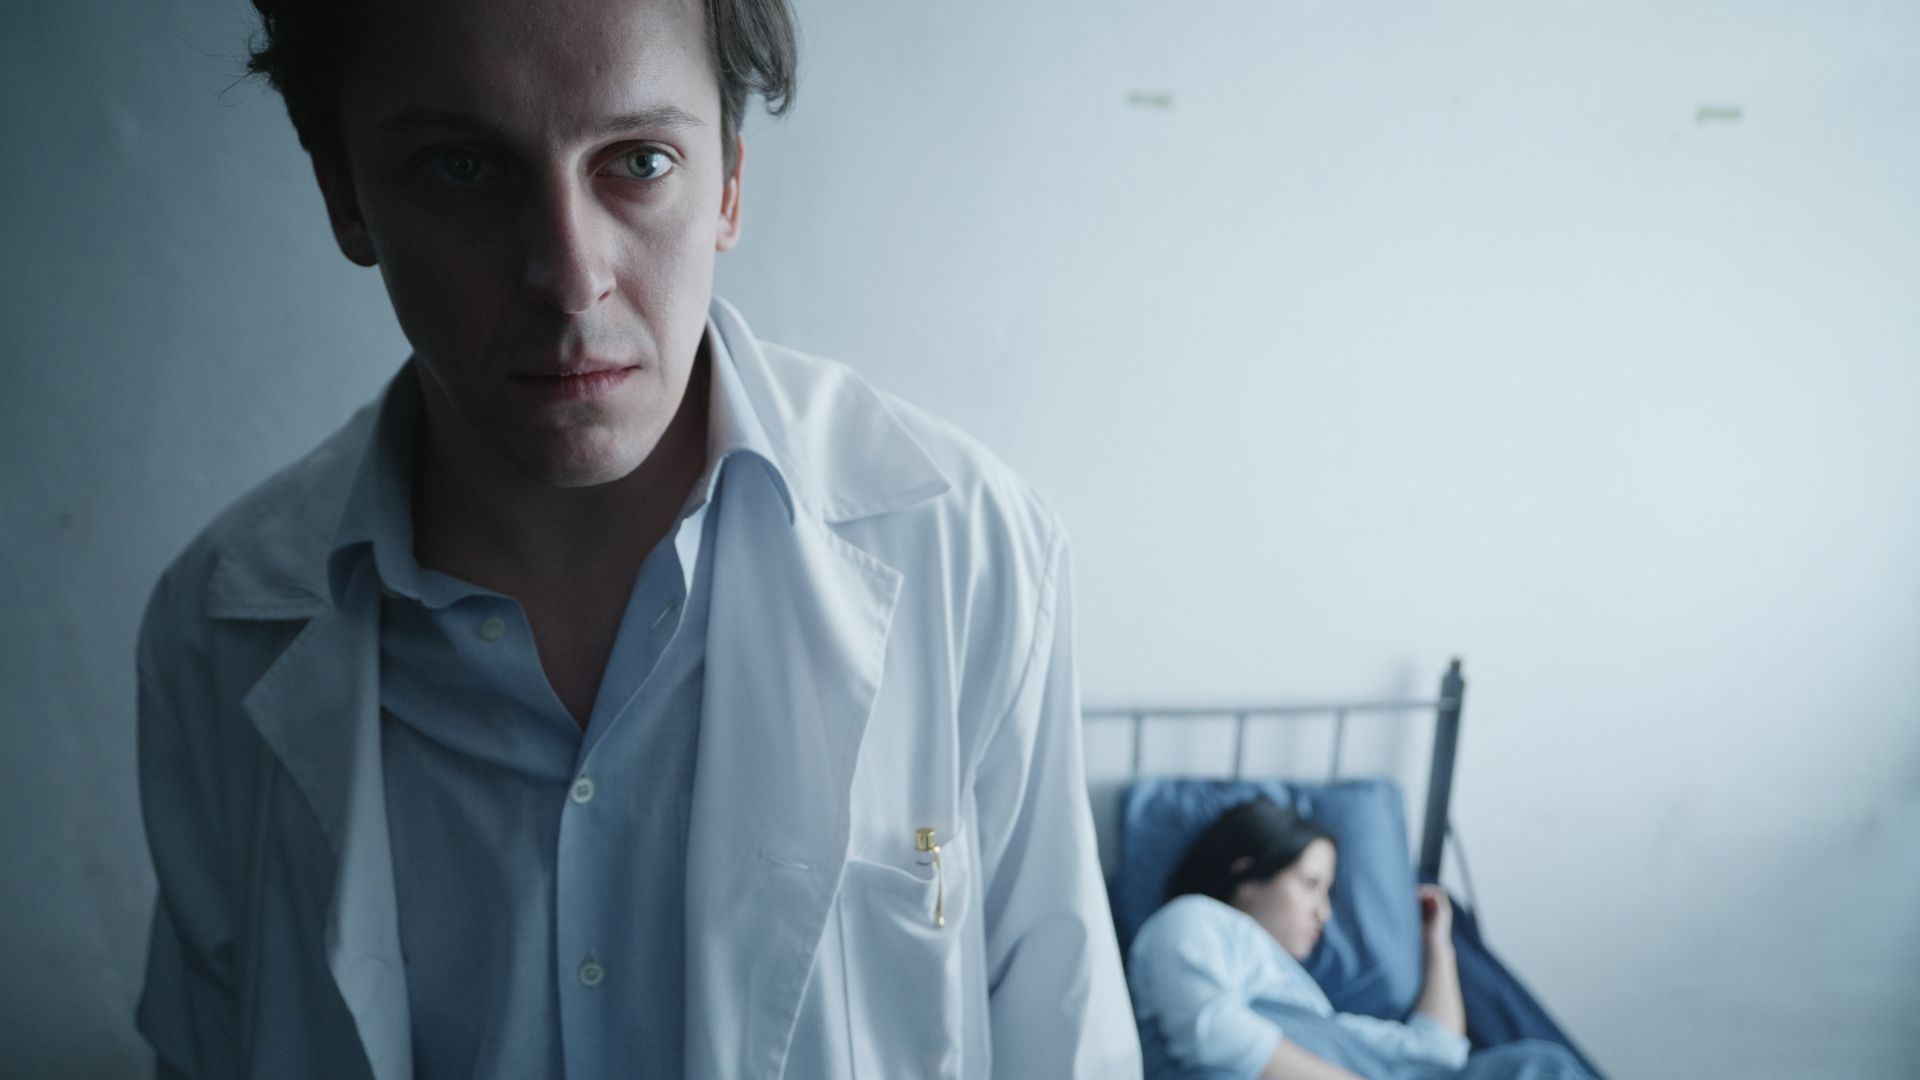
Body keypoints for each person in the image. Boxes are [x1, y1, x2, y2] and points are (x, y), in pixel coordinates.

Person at [132, 0, 1140, 1077]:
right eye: (462, 168)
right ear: (347, 198)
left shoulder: (970, 550)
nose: (570, 279)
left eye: (640, 160)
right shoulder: (221, 626)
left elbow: (1064, 1045)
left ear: (730, 182)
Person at [1128, 800, 1592, 1080]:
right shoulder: (1192, 919)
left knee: (1539, 1066)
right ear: (1247, 875)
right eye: (1311, 885)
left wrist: (1438, 944)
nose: (1324, 912)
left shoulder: (1312, 1008)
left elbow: (1440, 1051)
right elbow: (1212, 1035)